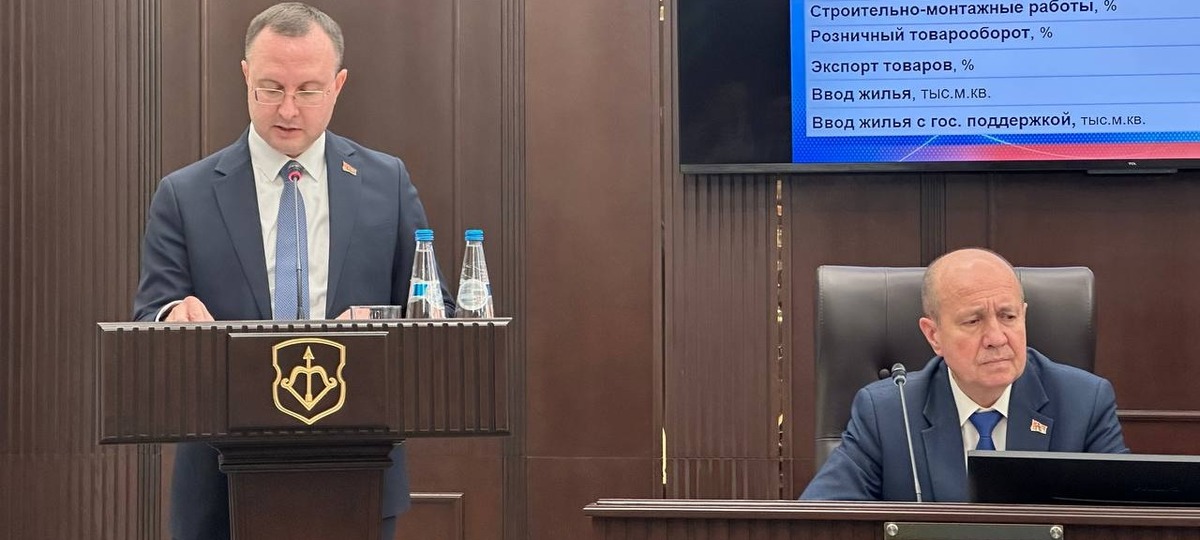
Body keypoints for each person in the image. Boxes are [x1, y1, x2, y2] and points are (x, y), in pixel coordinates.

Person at [131, 3, 451, 538]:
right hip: (219, 486)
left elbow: (433, 310)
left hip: (359, 474)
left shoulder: (386, 183)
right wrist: (172, 318)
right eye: (271, 88)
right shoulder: (185, 195)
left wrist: (375, 320)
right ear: (245, 76)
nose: (287, 109)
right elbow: (150, 315)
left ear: (338, 85)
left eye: (308, 90)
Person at [801, 248, 1128, 501]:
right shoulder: (887, 412)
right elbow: (825, 518)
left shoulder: (1084, 403)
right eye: (973, 321)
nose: (997, 338)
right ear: (934, 335)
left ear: (1024, 315)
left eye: (1008, 316)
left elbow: (1124, 519)